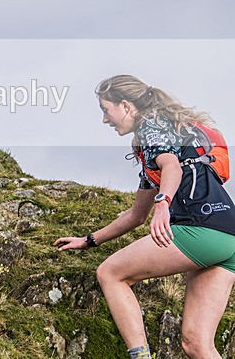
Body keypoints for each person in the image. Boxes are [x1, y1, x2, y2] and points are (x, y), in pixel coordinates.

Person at [54, 75, 235, 359]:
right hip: (228, 236)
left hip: (200, 227)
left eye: (105, 109)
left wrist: (163, 204)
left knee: (110, 273)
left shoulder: (151, 128)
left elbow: (171, 167)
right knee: (197, 345)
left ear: (125, 106)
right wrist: (88, 240)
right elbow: (137, 215)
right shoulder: (165, 135)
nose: (104, 120)